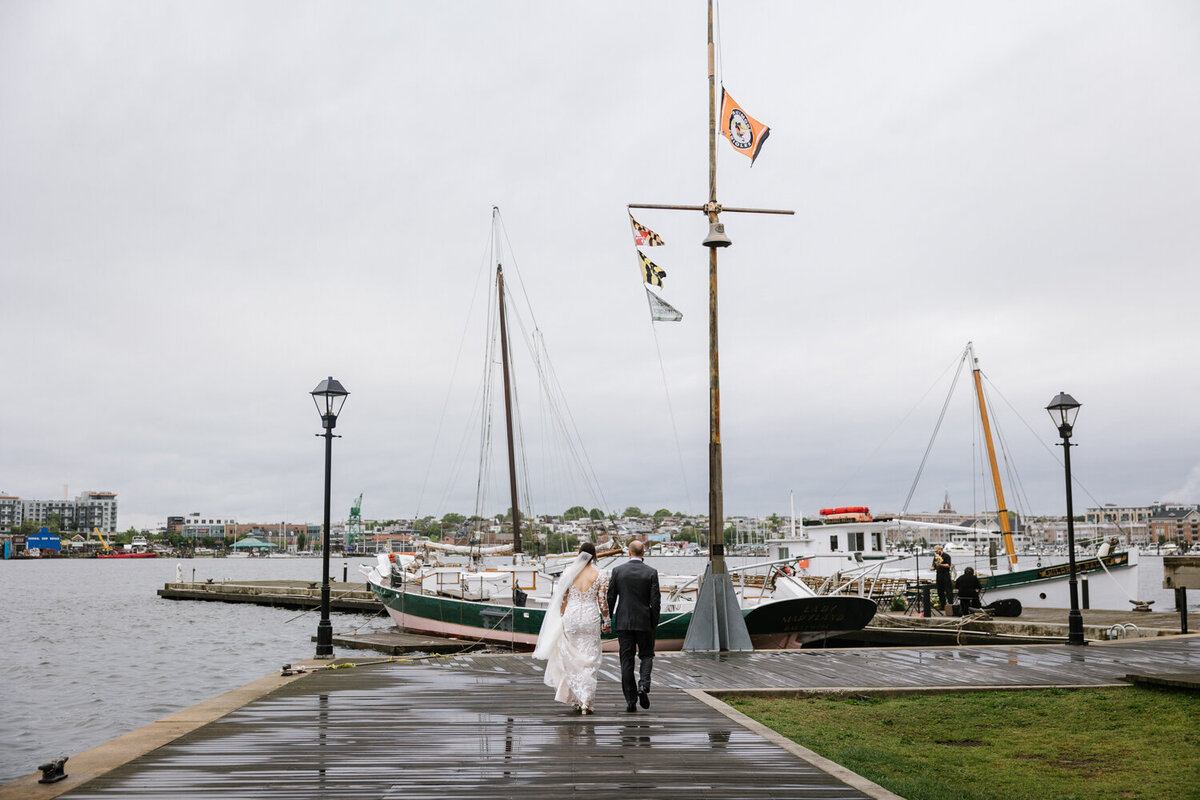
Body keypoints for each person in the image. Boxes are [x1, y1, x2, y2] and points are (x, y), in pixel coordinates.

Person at [532, 542, 608, 714]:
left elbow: (563, 599)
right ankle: (585, 702)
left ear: (579, 554)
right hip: (590, 617)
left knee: (573, 659)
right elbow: (602, 602)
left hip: (572, 617)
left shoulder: (568, 573)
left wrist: (561, 617)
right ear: (594, 556)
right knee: (589, 658)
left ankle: (576, 699)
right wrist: (607, 621)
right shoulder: (600, 575)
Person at [606, 540, 660, 713]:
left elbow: (611, 597)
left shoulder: (618, 571)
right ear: (643, 553)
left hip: (624, 622)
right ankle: (643, 685)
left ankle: (630, 700)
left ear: (629, 553)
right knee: (647, 655)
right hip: (645, 621)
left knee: (626, 660)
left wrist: (608, 618)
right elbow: (656, 601)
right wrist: (654, 622)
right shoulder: (651, 572)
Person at [930, 545, 953, 610]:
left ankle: (950, 605)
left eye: (937, 551)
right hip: (939, 574)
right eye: (935, 551)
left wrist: (941, 564)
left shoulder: (946, 556)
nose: (936, 552)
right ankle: (943, 605)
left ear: (940, 549)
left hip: (945, 574)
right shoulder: (935, 557)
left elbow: (948, 565)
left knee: (948, 590)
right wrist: (933, 568)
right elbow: (934, 565)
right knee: (940, 591)